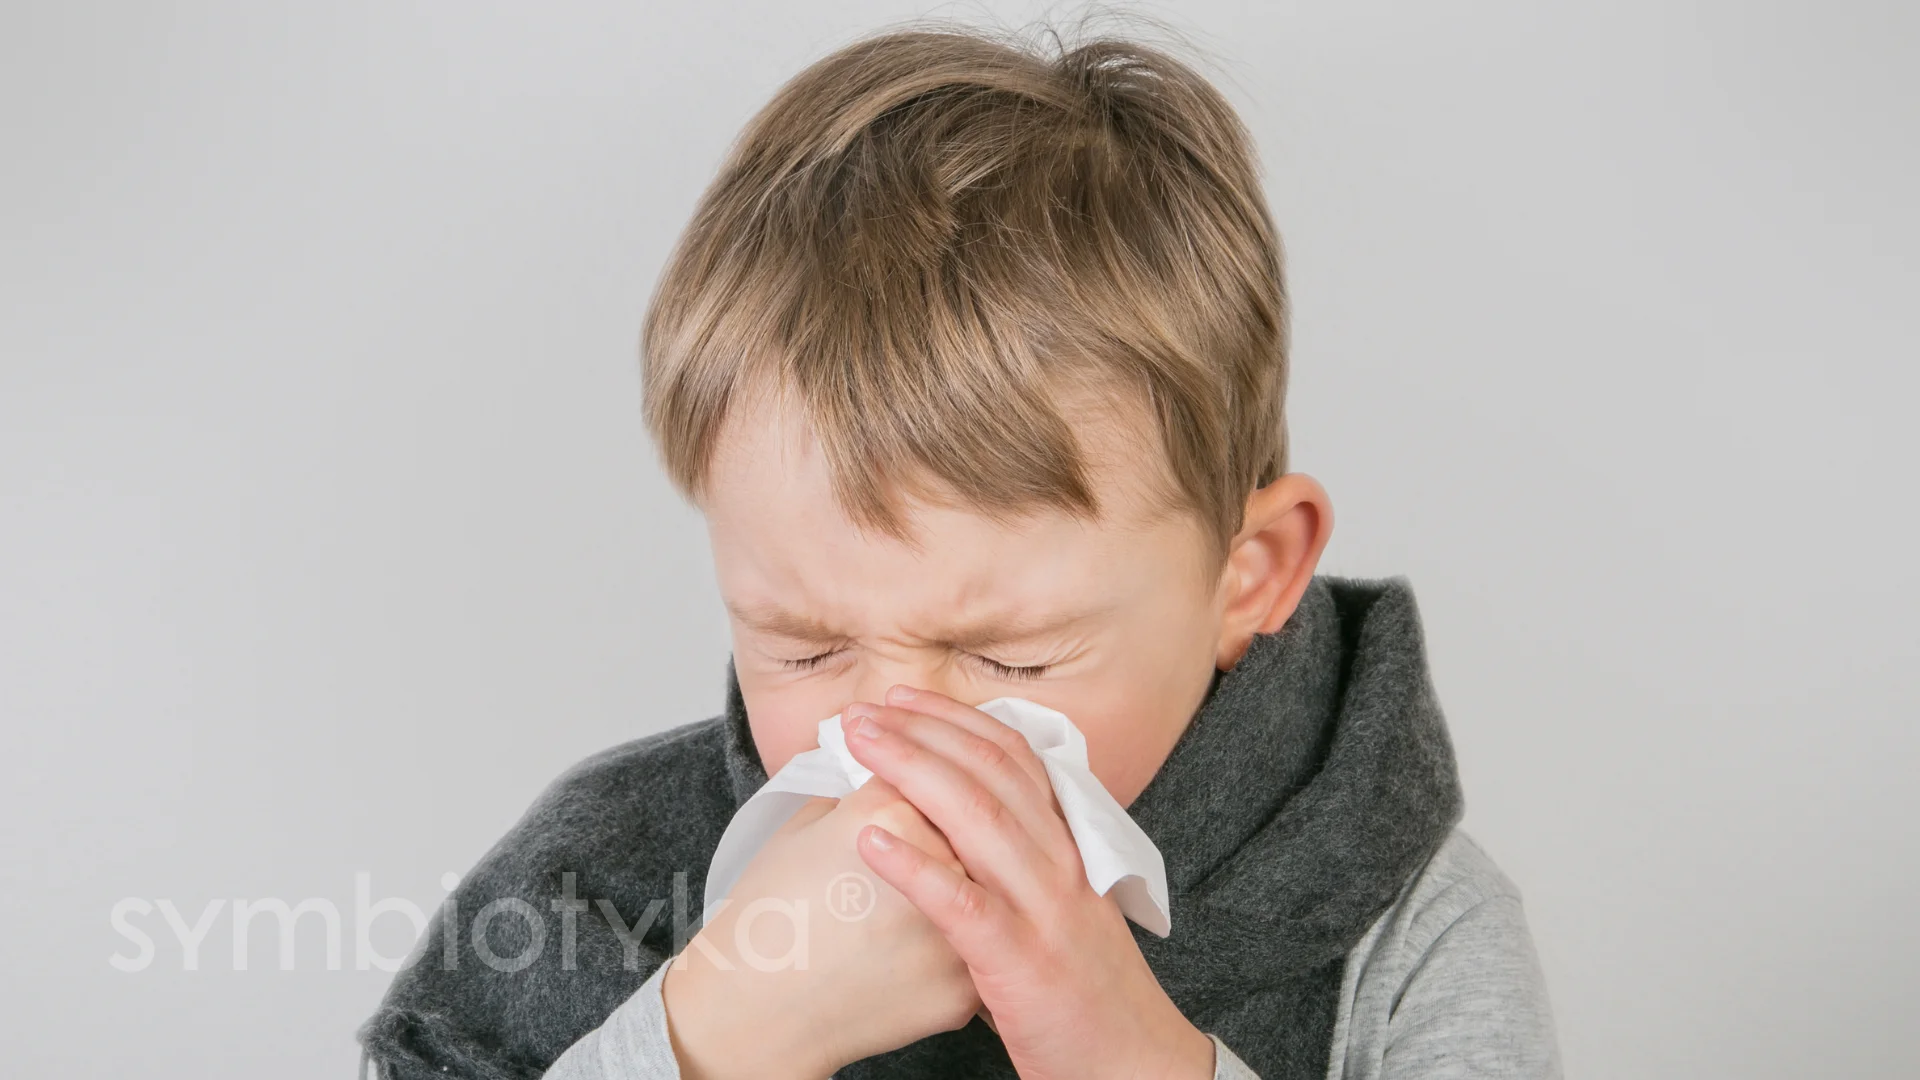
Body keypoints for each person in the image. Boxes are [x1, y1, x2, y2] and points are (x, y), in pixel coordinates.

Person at [358, 23, 1560, 1080]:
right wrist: (720, 1038)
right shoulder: (591, 889)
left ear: (1245, 578)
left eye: (1013, 660)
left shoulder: (1408, 935)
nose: (890, 737)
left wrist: (1130, 1062)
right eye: (806, 647)